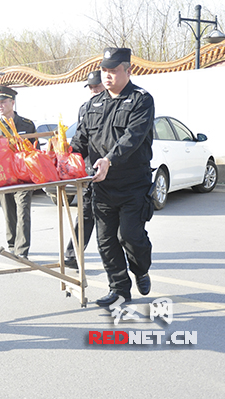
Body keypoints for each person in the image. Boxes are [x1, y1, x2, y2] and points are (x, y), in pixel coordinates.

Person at [70, 48, 155, 307]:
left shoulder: (141, 100)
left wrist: (110, 159)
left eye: (114, 71)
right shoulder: (92, 104)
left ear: (128, 71)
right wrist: (64, 155)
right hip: (102, 186)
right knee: (105, 242)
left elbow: (133, 136)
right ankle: (119, 289)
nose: (107, 76)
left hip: (133, 184)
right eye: (105, 71)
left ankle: (140, 269)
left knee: (130, 236)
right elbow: (80, 140)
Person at [0, 85, 37, 259]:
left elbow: (34, 149)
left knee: (23, 211)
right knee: (9, 212)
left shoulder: (27, 125)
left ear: (12, 102)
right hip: (5, 177)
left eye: (3, 102)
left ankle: (22, 250)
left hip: (23, 176)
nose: (0, 105)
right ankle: (12, 244)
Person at [64, 70, 105, 270]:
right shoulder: (85, 108)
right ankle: (72, 255)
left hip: (111, 169)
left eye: (97, 86)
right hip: (89, 170)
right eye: (91, 87)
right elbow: (81, 137)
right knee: (85, 213)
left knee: (111, 222)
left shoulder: (113, 107)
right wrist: (68, 153)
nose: (94, 90)